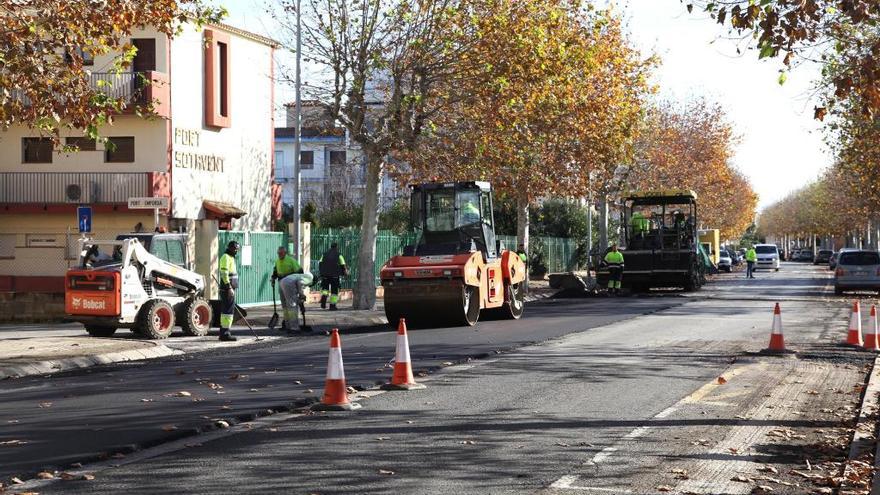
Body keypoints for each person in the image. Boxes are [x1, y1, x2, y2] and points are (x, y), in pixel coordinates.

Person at [272, 246, 306, 334]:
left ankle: (294, 327)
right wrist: (273, 278)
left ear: (285, 253)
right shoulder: (277, 261)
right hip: (281, 284)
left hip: (290, 284)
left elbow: (300, 271)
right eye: (278, 253)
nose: (279, 255)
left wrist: (299, 286)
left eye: (281, 253)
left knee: (291, 305)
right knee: (285, 306)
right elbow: (275, 271)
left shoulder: (291, 260)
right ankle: (287, 325)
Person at [218, 241, 240, 342]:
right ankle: (225, 333)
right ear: (231, 248)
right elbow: (224, 273)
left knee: (228, 311)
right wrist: (229, 287)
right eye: (235, 249)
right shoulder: (226, 257)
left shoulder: (230, 257)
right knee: (227, 311)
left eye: (237, 249)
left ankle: (225, 332)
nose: (236, 251)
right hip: (227, 289)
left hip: (230, 288)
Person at [319, 243, 348, 310]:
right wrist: (345, 273)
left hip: (325, 274)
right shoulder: (339, 255)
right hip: (335, 275)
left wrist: (322, 272)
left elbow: (320, 263)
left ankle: (324, 297)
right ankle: (332, 306)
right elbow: (343, 264)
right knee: (334, 291)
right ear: (337, 247)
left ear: (331, 247)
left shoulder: (324, 254)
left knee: (325, 288)